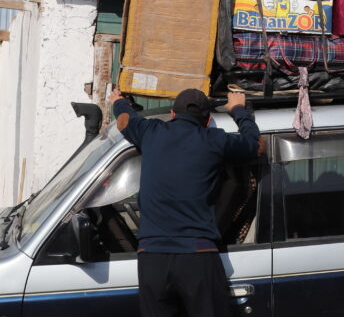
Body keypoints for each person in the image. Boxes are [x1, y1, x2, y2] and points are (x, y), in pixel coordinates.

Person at [111, 87, 262, 317]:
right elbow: (256, 145)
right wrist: (239, 110)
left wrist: (119, 101)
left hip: (153, 259)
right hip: (197, 258)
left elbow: (124, 121)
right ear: (208, 120)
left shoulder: (150, 131)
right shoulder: (215, 140)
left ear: (172, 114)